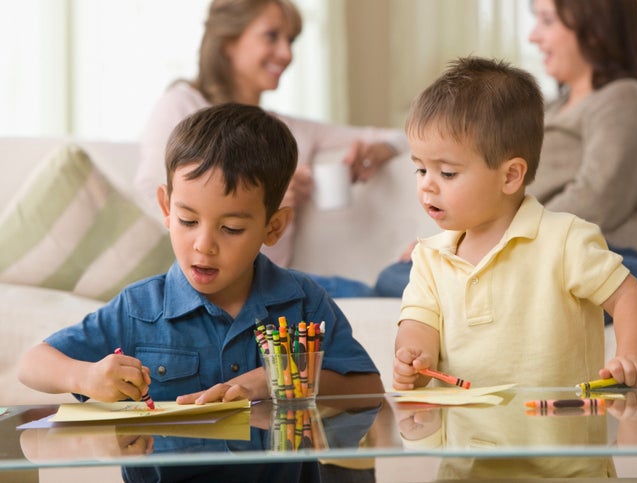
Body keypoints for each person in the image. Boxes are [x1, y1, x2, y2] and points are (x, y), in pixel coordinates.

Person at [18, 103, 383, 411]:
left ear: (274, 227)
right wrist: (85, 376)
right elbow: (32, 364)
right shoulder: (139, 308)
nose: (203, 245)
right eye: (188, 220)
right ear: (165, 207)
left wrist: (274, 380)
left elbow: (368, 387)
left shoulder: (303, 301)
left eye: (232, 228)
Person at [375, 0, 637, 310]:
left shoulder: (628, 98)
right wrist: (453, 246)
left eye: (547, 20)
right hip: (535, 249)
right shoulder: (550, 109)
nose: (533, 36)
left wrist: (500, 243)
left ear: (595, 27)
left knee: (411, 277)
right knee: (406, 273)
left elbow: (599, 196)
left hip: (615, 256)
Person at [392, 57, 637, 393]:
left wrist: (632, 358)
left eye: (446, 173)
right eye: (420, 170)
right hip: (464, 439)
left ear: (511, 175)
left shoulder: (564, 240)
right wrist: (415, 355)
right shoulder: (429, 258)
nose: (427, 185)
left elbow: (628, 297)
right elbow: (418, 323)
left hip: (558, 434)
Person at [134, 0, 406, 297]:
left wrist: (381, 150)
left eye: (290, 40)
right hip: (213, 283)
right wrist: (255, 199)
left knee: (391, 287)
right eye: (271, 36)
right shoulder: (183, 105)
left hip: (276, 283)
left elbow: (405, 136)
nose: (287, 53)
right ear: (228, 41)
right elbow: (150, 189)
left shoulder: (290, 131)